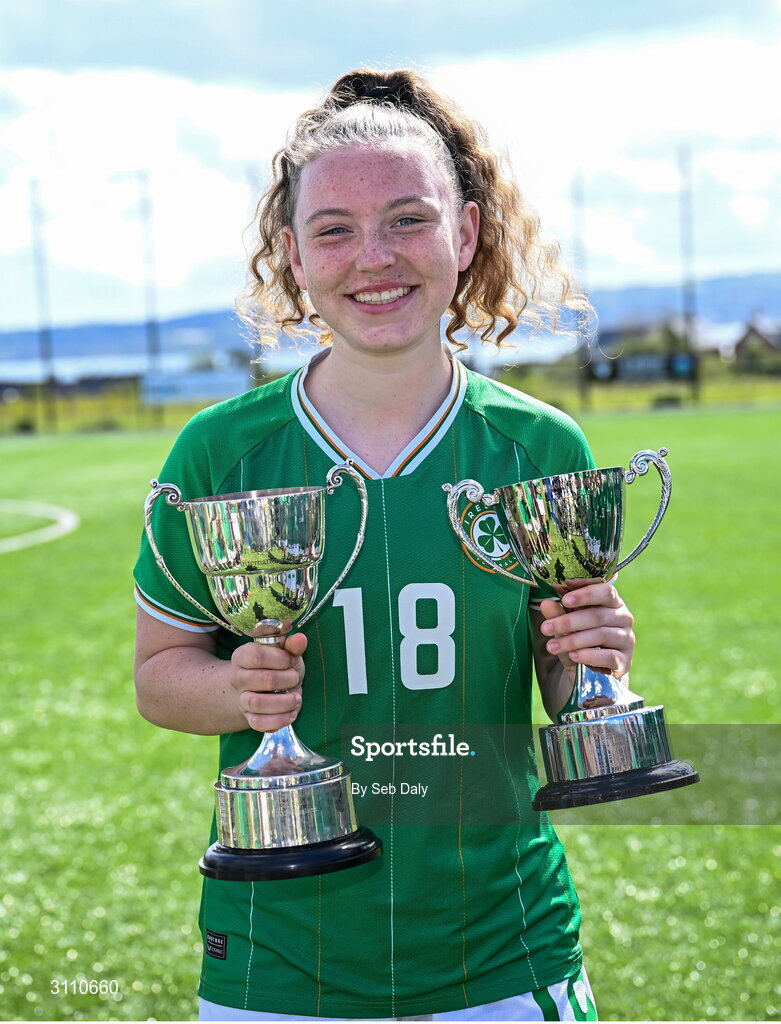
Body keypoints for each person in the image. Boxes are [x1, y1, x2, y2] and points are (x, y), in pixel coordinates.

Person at [133, 68, 635, 1022]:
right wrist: (236, 690)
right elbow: (160, 675)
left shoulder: (538, 448)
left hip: (503, 948)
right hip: (277, 954)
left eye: (408, 219)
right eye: (334, 229)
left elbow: (563, 696)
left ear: (467, 233)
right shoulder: (219, 452)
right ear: (292, 254)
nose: (374, 257)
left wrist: (593, 658)